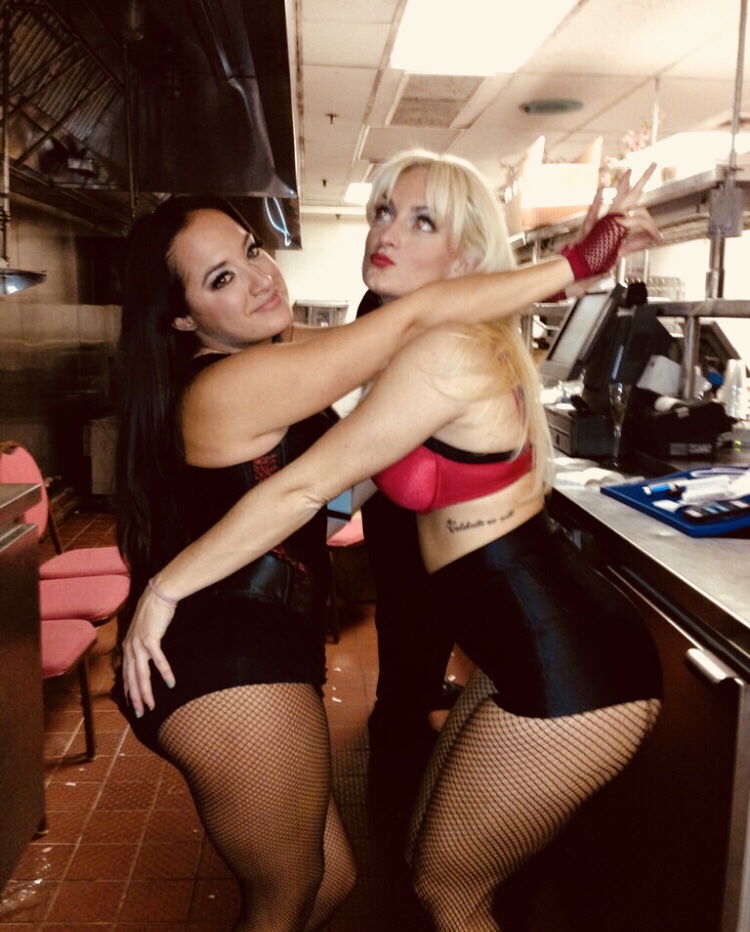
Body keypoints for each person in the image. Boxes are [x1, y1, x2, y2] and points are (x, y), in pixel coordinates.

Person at [111, 179, 654, 931]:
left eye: (253, 251)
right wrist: (580, 260)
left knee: (329, 883)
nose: (262, 277)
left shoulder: (270, 357)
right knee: (293, 896)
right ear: (180, 316)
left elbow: (350, 455)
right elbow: (394, 349)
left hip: (260, 636)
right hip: (222, 655)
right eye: (223, 278)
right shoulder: (236, 381)